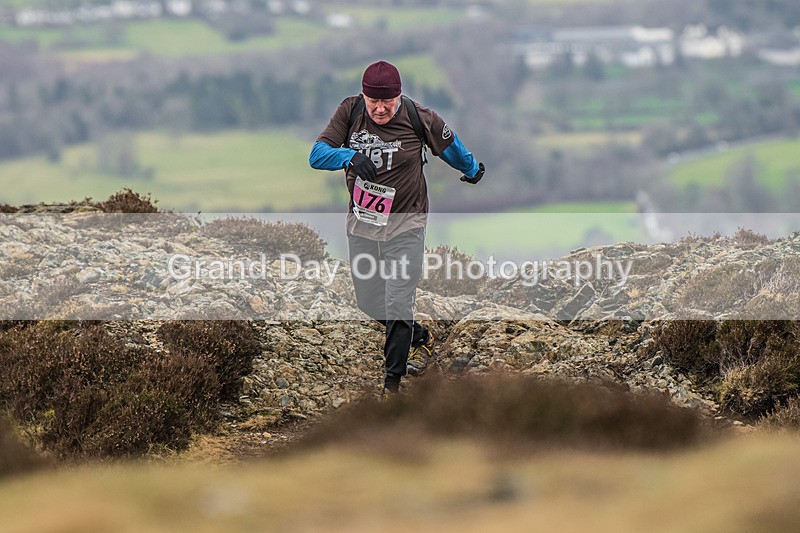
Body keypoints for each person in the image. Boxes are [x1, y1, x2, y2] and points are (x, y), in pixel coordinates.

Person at [309, 60, 485, 396]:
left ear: (398, 96)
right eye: (372, 101)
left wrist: (472, 169)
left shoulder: (419, 117)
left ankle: (393, 384)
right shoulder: (350, 111)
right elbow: (316, 155)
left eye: (386, 102)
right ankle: (420, 337)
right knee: (369, 302)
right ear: (364, 96)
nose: (378, 108)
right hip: (362, 224)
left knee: (398, 301)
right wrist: (348, 156)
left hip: (407, 223)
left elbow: (451, 147)